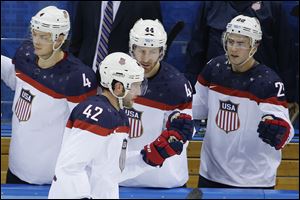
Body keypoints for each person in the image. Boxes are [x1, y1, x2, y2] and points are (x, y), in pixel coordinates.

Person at [48, 52, 192, 198]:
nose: (139, 92)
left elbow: (110, 171)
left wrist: (152, 155)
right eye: (135, 85)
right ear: (118, 87)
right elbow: (69, 167)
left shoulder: (118, 116)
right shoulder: (96, 114)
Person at [192, 15, 295, 189]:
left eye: (241, 43)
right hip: (211, 175)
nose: (233, 48)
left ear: (254, 46)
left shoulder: (268, 82)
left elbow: (284, 130)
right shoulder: (213, 68)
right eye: (230, 41)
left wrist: (280, 130)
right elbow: (195, 109)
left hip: (254, 180)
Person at [1, 6, 98, 185]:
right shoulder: (26, 54)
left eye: (44, 37)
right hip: (16, 169)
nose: (36, 41)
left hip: (51, 177)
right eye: (35, 34)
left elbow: (85, 133)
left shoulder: (77, 76)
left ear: (60, 38)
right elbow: (17, 82)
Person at [185, 1, 298, 120]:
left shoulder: (272, 5)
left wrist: (289, 97)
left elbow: (285, 52)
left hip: (260, 95)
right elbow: (196, 51)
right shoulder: (210, 4)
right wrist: (190, 93)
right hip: (219, 93)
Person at [119, 19, 194, 188]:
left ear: (162, 51)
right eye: (141, 50)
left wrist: (177, 135)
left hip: (163, 181)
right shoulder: (117, 76)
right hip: (122, 179)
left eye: (152, 51)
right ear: (132, 48)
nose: (146, 58)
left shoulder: (177, 85)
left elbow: (185, 133)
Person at [70, 1, 162, 72]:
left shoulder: (147, 3)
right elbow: (76, 42)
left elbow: (154, 48)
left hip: (123, 83)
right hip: (86, 78)